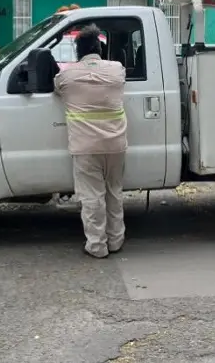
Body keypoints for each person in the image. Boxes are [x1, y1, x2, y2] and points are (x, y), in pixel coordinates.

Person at [53, 24, 128, 259]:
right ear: (100, 48)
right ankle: (116, 241)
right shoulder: (117, 69)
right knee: (114, 192)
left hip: (86, 146)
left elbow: (56, 89)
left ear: (78, 51)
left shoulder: (66, 75)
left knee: (92, 196)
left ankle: (97, 246)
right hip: (116, 144)